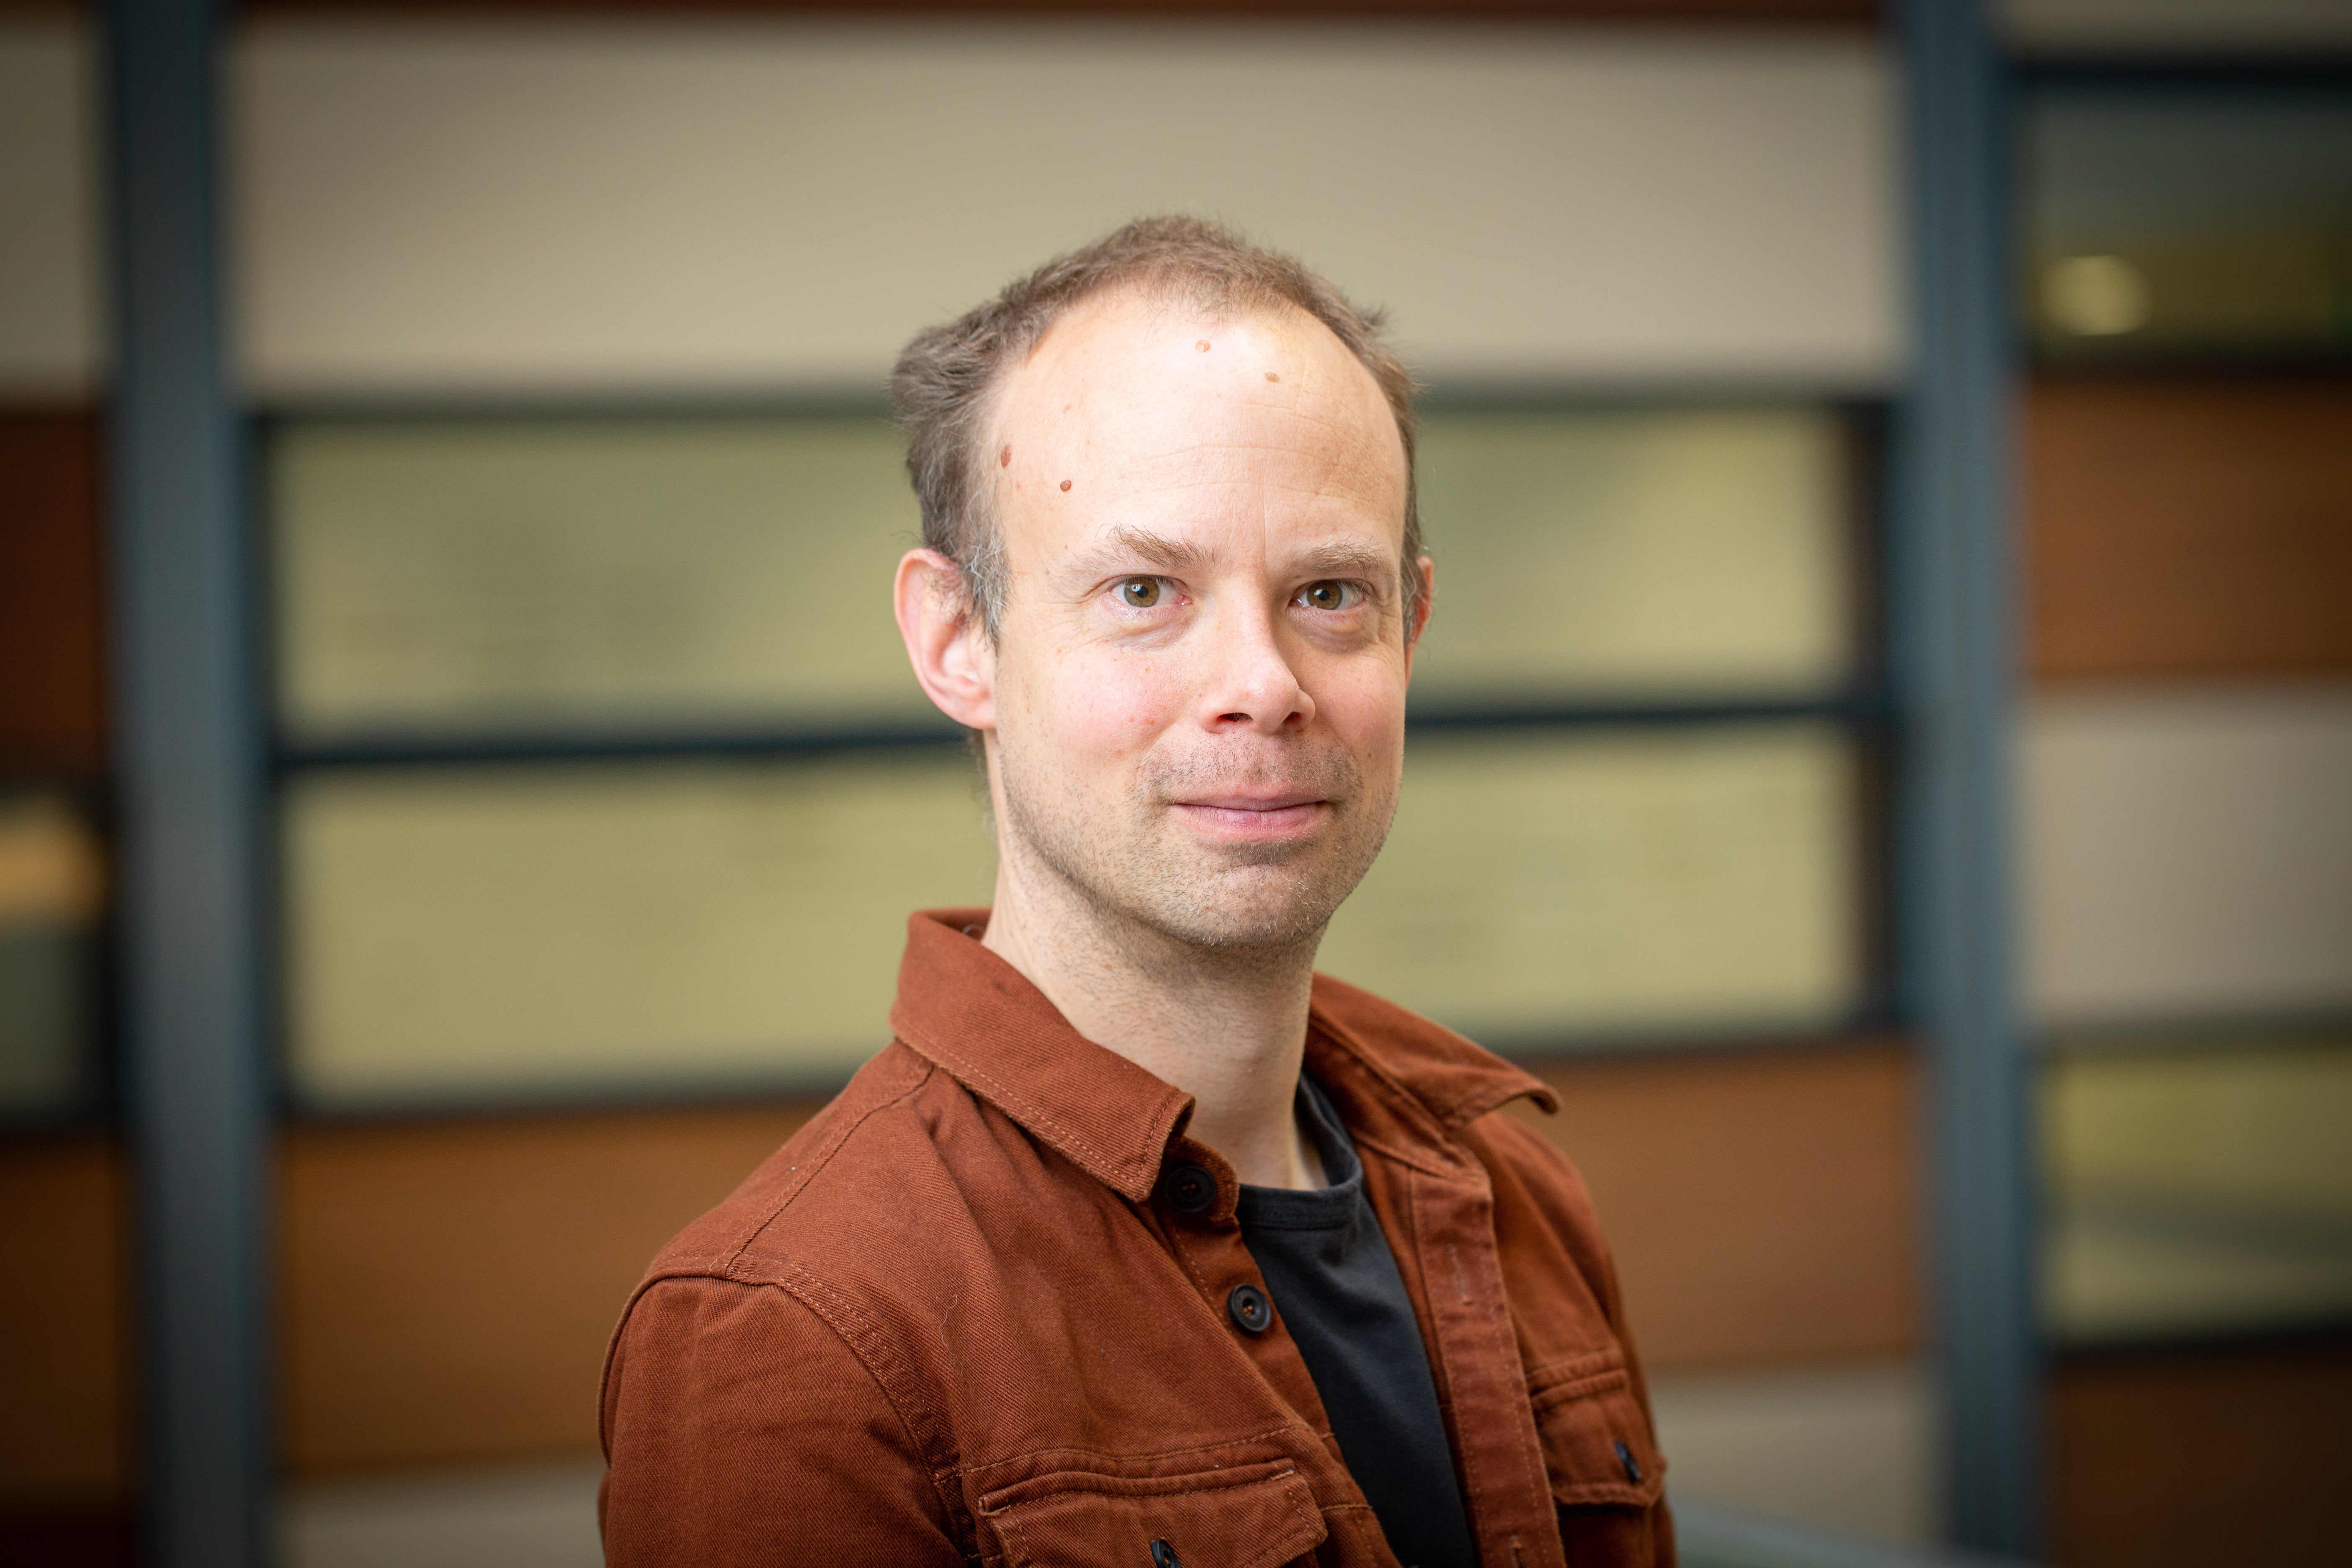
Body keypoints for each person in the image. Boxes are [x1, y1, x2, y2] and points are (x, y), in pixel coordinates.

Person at [599, 216, 1671, 1568]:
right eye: (1145, 589)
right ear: (957, 640)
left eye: (1327, 592)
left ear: (1409, 628)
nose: (1263, 684)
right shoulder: (797, 1330)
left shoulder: (1516, 1195)